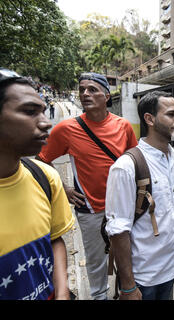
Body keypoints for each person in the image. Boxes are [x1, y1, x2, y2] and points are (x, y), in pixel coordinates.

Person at [37, 72, 138, 300]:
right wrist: (64, 187)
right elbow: (42, 160)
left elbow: (134, 160)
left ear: (106, 96)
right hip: (90, 209)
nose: (85, 94)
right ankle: (99, 296)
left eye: (92, 89)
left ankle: (127, 291)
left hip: (123, 206)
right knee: (95, 261)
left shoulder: (123, 126)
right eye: (82, 89)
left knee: (128, 254)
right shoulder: (67, 129)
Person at [105, 91, 174, 300]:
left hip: (170, 270)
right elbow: (118, 230)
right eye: (171, 114)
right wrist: (128, 286)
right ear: (150, 119)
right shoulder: (126, 167)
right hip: (142, 278)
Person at [0, 68, 74, 300]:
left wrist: (62, 292)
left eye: (43, 111)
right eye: (30, 112)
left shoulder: (46, 177)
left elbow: (55, 239)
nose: (45, 123)